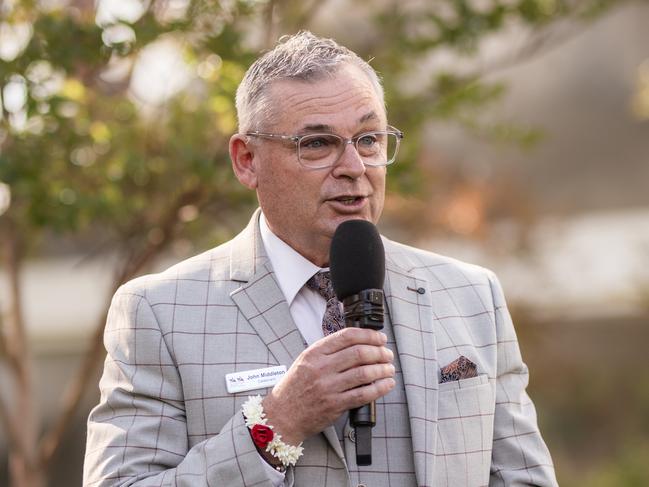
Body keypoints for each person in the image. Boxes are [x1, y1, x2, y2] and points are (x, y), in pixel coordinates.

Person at [83, 31, 558, 487]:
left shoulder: (473, 295)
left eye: (369, 139)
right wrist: (278, 422)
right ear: (247, 159)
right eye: (317, 144)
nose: (354, 167)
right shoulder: (158, 313)